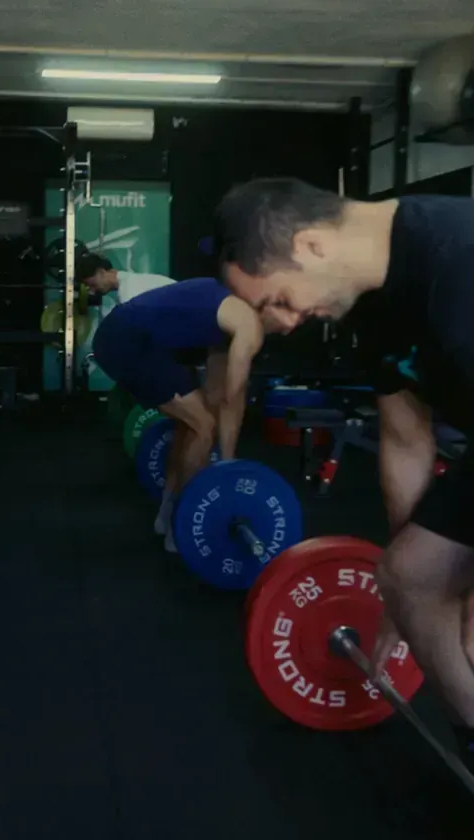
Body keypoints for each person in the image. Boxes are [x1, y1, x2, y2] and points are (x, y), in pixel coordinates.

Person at [213, 176, 474, 776]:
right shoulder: (373, 303)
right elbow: (407, 441)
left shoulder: (459, 264)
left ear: (310, 246)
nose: (284, 322)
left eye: (276, 298)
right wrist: (400, 603)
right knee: (410, 575)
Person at [92, 276, 266, 552]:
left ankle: (167, 514)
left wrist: (226, 462)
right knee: (204, 426)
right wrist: (227, 468)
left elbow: (218, 393)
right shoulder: (242, 318)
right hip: (127, 342)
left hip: (123, 340)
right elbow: (233, 396)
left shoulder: (221, 314)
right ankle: (181, 526)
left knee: (193, 422)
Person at [75, 252, 176, 302]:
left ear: (101, 272)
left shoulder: (127, 292)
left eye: (93, 285)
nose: (92, 291)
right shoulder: (135, 280)